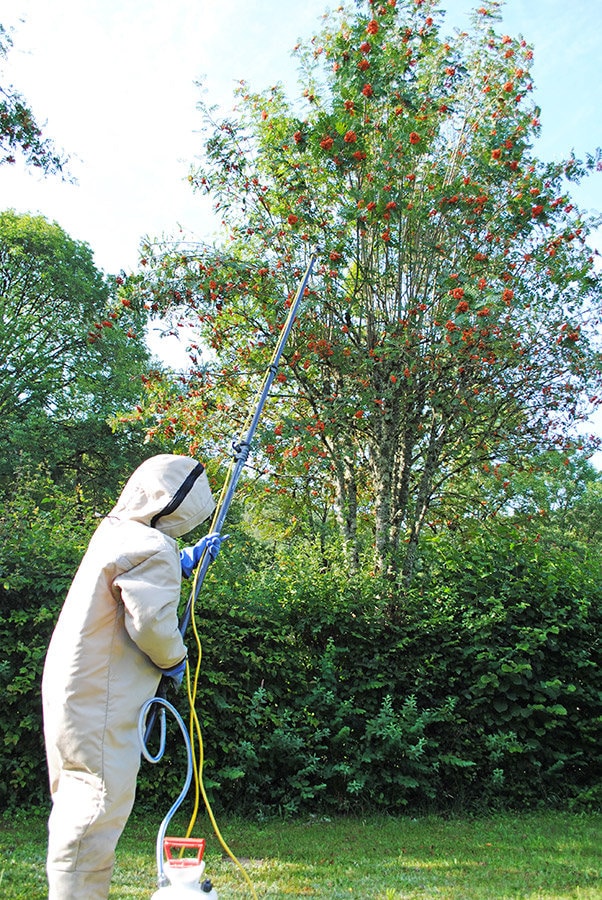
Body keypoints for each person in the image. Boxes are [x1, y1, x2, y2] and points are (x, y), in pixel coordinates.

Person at [42, 453, 222, 900]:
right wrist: (174, 658)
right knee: (96, 807)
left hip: (71, 690)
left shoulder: (115, 532)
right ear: (175, 505)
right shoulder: (152, 546)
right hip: (101, 699)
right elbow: (150, 625)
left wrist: (179, 562)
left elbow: (126, 575)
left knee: (75, 801)